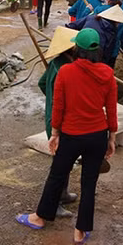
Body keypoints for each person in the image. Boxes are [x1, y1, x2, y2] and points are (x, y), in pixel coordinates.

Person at [16, 28, 117, 245]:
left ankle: (39, 217)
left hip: (71, 135)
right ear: (97, 50)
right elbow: (111, 108)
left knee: (57, 176)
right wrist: (111, 138)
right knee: (89, 184)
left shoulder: (66, 72)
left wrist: (54, 134)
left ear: (76, 48)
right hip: (97, 135)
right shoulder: (107, 73)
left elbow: (58, 107)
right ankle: (80, 231)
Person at [38, 26, 80, 218]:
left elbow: (41, 83)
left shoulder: (56, 63)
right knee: (60, 164)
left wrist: (49, 98)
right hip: (59, 122)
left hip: (52, 118)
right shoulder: (65, 69)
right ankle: (54, 202)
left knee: (63, 161)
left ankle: (62, 194)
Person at [67, 1, 123, 67]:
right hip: (92, 58)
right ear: (115, 21)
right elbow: (106, 54)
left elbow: (72, 26)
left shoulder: (91, 18)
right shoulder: (110, 33)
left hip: (78, 51)